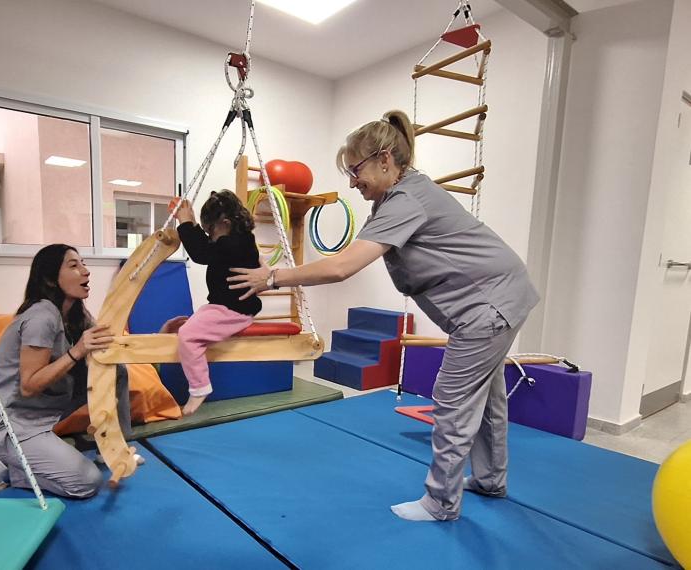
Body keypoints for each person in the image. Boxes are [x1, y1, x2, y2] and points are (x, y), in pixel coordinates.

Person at [228, 110, 539, 522]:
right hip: (503, 297)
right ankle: (490, 480)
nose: (354, 181)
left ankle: (440, 503)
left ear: (386, 159)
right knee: (488, 399)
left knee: (454, 399)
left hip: (489, 307)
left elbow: (342, 267)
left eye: (356, 170)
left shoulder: (406, 198)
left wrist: (273, 277)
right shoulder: (402, 197)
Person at [0, 244, 141, 498]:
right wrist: (78, 351)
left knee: (114, 369)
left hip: (42, 408)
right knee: (87, 483)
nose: (85, 271)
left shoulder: (75, 313)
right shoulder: (42, 316)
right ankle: (11, 463)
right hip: (11, 419)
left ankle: (109, 446)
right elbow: (29, 385)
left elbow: (111, 348)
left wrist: (163, 334)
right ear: (50, 279)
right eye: (74, 266)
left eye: (83, 263)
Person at [174, 190, 262, 416]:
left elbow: (201, 253)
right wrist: (191, 223)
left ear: (225, 223)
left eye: (210, 230)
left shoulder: (234, 245)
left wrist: (186, 224)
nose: (209, 236)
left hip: (234, 310)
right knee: (192, 326)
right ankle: (199, 382)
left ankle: (200, 387)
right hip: (225, 307)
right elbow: (206, 246)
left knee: (187, 335)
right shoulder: (235, 240)